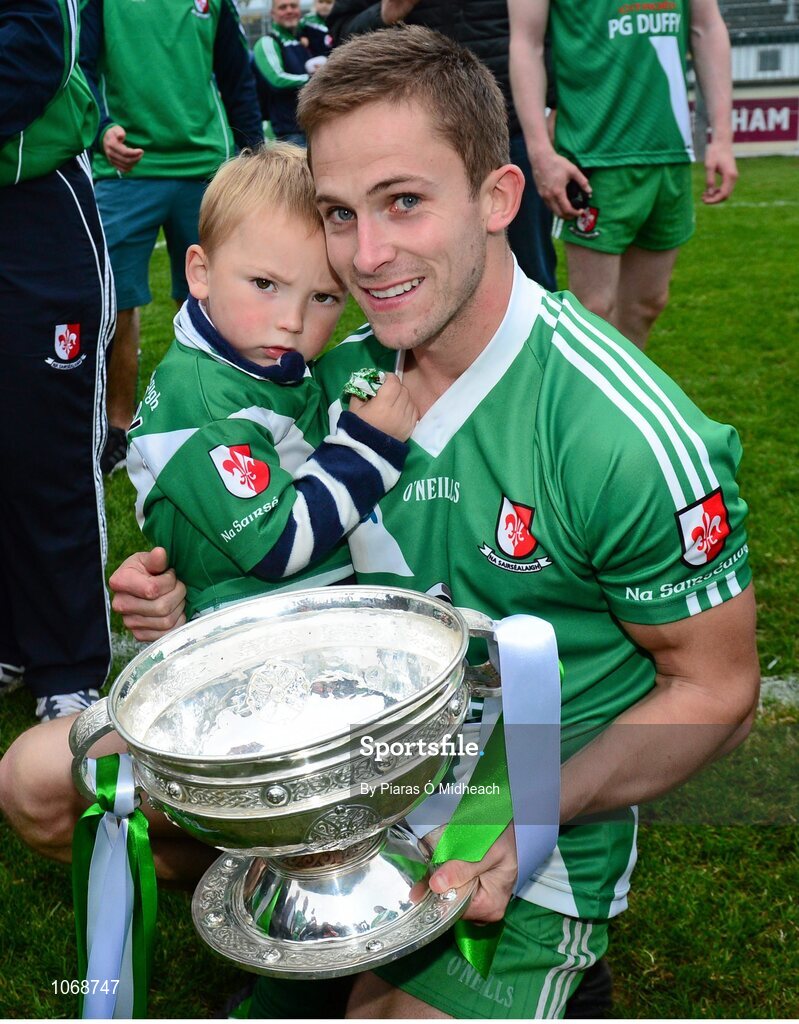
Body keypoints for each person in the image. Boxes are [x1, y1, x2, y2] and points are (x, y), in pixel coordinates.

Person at [0, 26, 759, 1020]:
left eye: (404, 202)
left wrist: (531, 812)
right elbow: (286, 537)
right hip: (342, 767)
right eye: (337, 213)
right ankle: (314, 903)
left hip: (517, 819)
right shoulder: (335, 368)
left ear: (496, 197)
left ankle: (514, 965)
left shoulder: (620, 434)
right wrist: (198, 583)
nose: (366, 256)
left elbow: (715, 684)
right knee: (41, 779)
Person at [128, 143, 417, 620]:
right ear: (200, 272)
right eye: (265, 284)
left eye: (323, 297)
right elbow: (276, 545)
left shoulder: (248, 357)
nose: (292, 321)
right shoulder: (201, 401)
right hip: (260, 627)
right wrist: (367, 447)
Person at [79, 0, 264, 474]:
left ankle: (209, 418)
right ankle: (118, 427)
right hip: (127, 171)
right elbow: (79, 65)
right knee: (115, 303)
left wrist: (255, 155)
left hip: (206, 165)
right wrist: (101, 128)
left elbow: (235, 73)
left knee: (213, 301)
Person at [0, 0, 114, 722]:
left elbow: (34, 52)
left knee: (48, 446)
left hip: (34, 211)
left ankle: (68, 662)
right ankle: (12, 637)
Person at [508, 0, 737, 349]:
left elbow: (707, 27)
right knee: (594, 311)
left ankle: (623, 400)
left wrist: (722, 136)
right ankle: (584, 402)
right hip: (594, 153)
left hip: (669, 149)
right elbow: (526, 43)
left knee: (648, 303)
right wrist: (541, 153)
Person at [328, 0, 558, 292]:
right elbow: (341, 38)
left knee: (531, 265)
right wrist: (387, 12)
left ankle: (535, 334)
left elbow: (544, 34)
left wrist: (553, 104)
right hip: (413, 142)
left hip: (511, 129)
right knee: (423, 272)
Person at [252, 0, 332, 146]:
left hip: (315, 127)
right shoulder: (268, 42)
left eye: (293, 6)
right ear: (273, 14)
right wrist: (316, 79)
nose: (289, 10)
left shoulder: (303, 41)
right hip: (290, 134)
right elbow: (277, 80)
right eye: (283, 7)